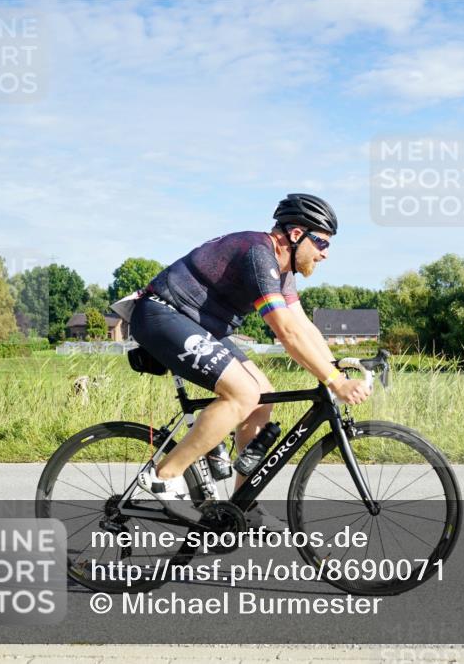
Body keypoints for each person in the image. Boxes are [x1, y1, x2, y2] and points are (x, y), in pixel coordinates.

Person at [125, 193, 371, 529]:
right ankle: (164, 475)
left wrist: (336, 364)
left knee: (261, 398)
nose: (325, 253)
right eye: (322, 243)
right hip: (162, 313)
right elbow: (286, 332)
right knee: (242, 393)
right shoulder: (259, 254)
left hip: (199, 325)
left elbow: (303, 326)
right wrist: (335, 382)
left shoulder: (282, 271)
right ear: (296, 235)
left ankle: (244, 503)